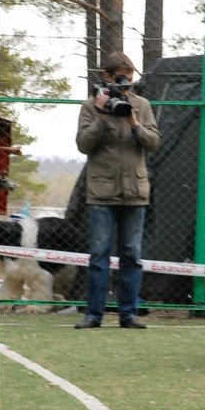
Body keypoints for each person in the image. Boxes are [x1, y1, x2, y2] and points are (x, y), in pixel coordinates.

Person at [74, 52, 161, 329]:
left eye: (130, 77)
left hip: (135, 191)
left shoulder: (143, 105)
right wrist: (102, 115)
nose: (126, 82)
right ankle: (93, 315)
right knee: (99, 255)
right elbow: (83, 145)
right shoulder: (90, 106)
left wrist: (134, 123)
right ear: (108, 77)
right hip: (102, 192)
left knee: (131, 255)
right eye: (121, 77)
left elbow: (154, 143)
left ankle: (129, 314)